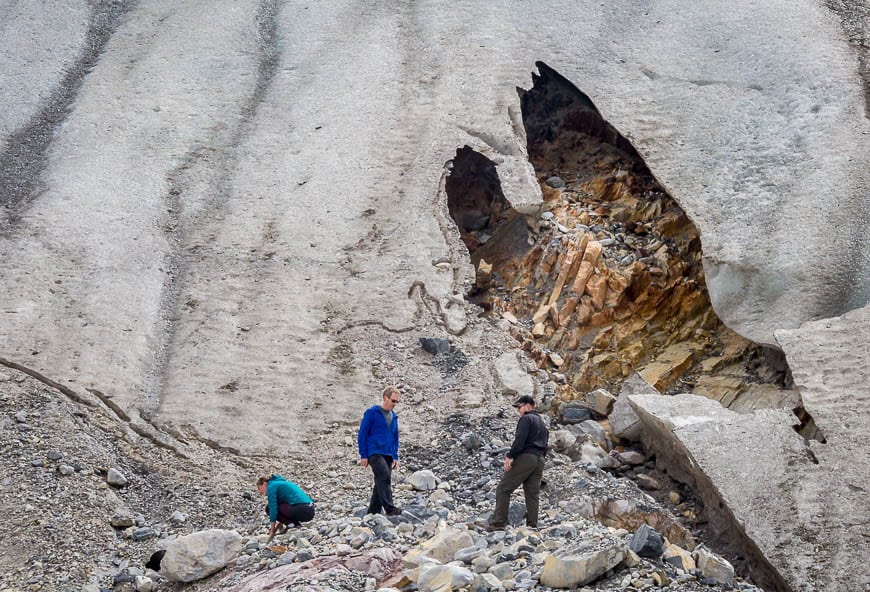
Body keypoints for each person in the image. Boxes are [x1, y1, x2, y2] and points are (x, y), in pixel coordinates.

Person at [489, 394, 549, 529]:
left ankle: (498, 523)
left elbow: (520, 440)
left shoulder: (526, 419)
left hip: (527, 457)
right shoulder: (542, 423)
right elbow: (546, 444)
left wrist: (511, 456)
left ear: (528, 406)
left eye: (519, 407)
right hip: (539, 460)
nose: (518, 411)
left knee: (503, 489)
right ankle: (532, 525)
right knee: (532, 493)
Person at [357, 385, 401, 516]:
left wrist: (395, 456)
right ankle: (390, 508)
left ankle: (373, 510)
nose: (395, 404)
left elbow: (395, 437)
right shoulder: (372, 412)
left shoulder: (394, 416)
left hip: (388, 453)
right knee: (384, 475)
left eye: (397, 401)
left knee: (381, 480)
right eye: (393, 400)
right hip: (374, 451)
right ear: (385, 398)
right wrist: (363, 455)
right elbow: (362, 433)